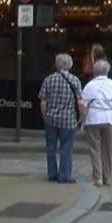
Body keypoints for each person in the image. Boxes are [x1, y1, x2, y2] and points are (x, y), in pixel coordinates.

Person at [38, 53, 83, 184]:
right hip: (68, 118)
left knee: (50, 147)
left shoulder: (48, 80)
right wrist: (80, 117)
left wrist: (45, 115)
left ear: (56, 64)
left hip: (51, 117)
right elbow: (80, 102)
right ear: (70, 65)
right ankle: (64, 175)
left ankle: (52, 173)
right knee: (66, 147)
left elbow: (43, 101)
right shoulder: (75, 80)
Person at [81, 59, 112, 188]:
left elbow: (84, 103)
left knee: (95, 149)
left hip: (94, 118)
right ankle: (108, 177)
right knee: (108, 149)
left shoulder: (89, 85)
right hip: (110, 118)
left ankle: (98, 177)